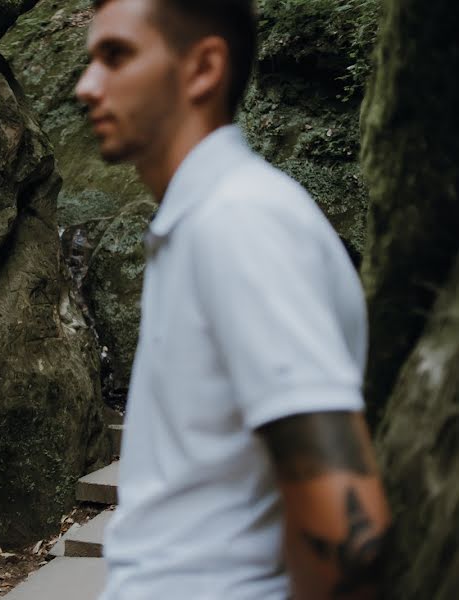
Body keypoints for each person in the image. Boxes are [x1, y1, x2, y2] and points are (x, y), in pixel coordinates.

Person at [74, 1, 391, 598]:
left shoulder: (240, 221)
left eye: (116, 56)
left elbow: (348, 531)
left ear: (203, 69)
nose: (86, 86)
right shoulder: (204, 222)